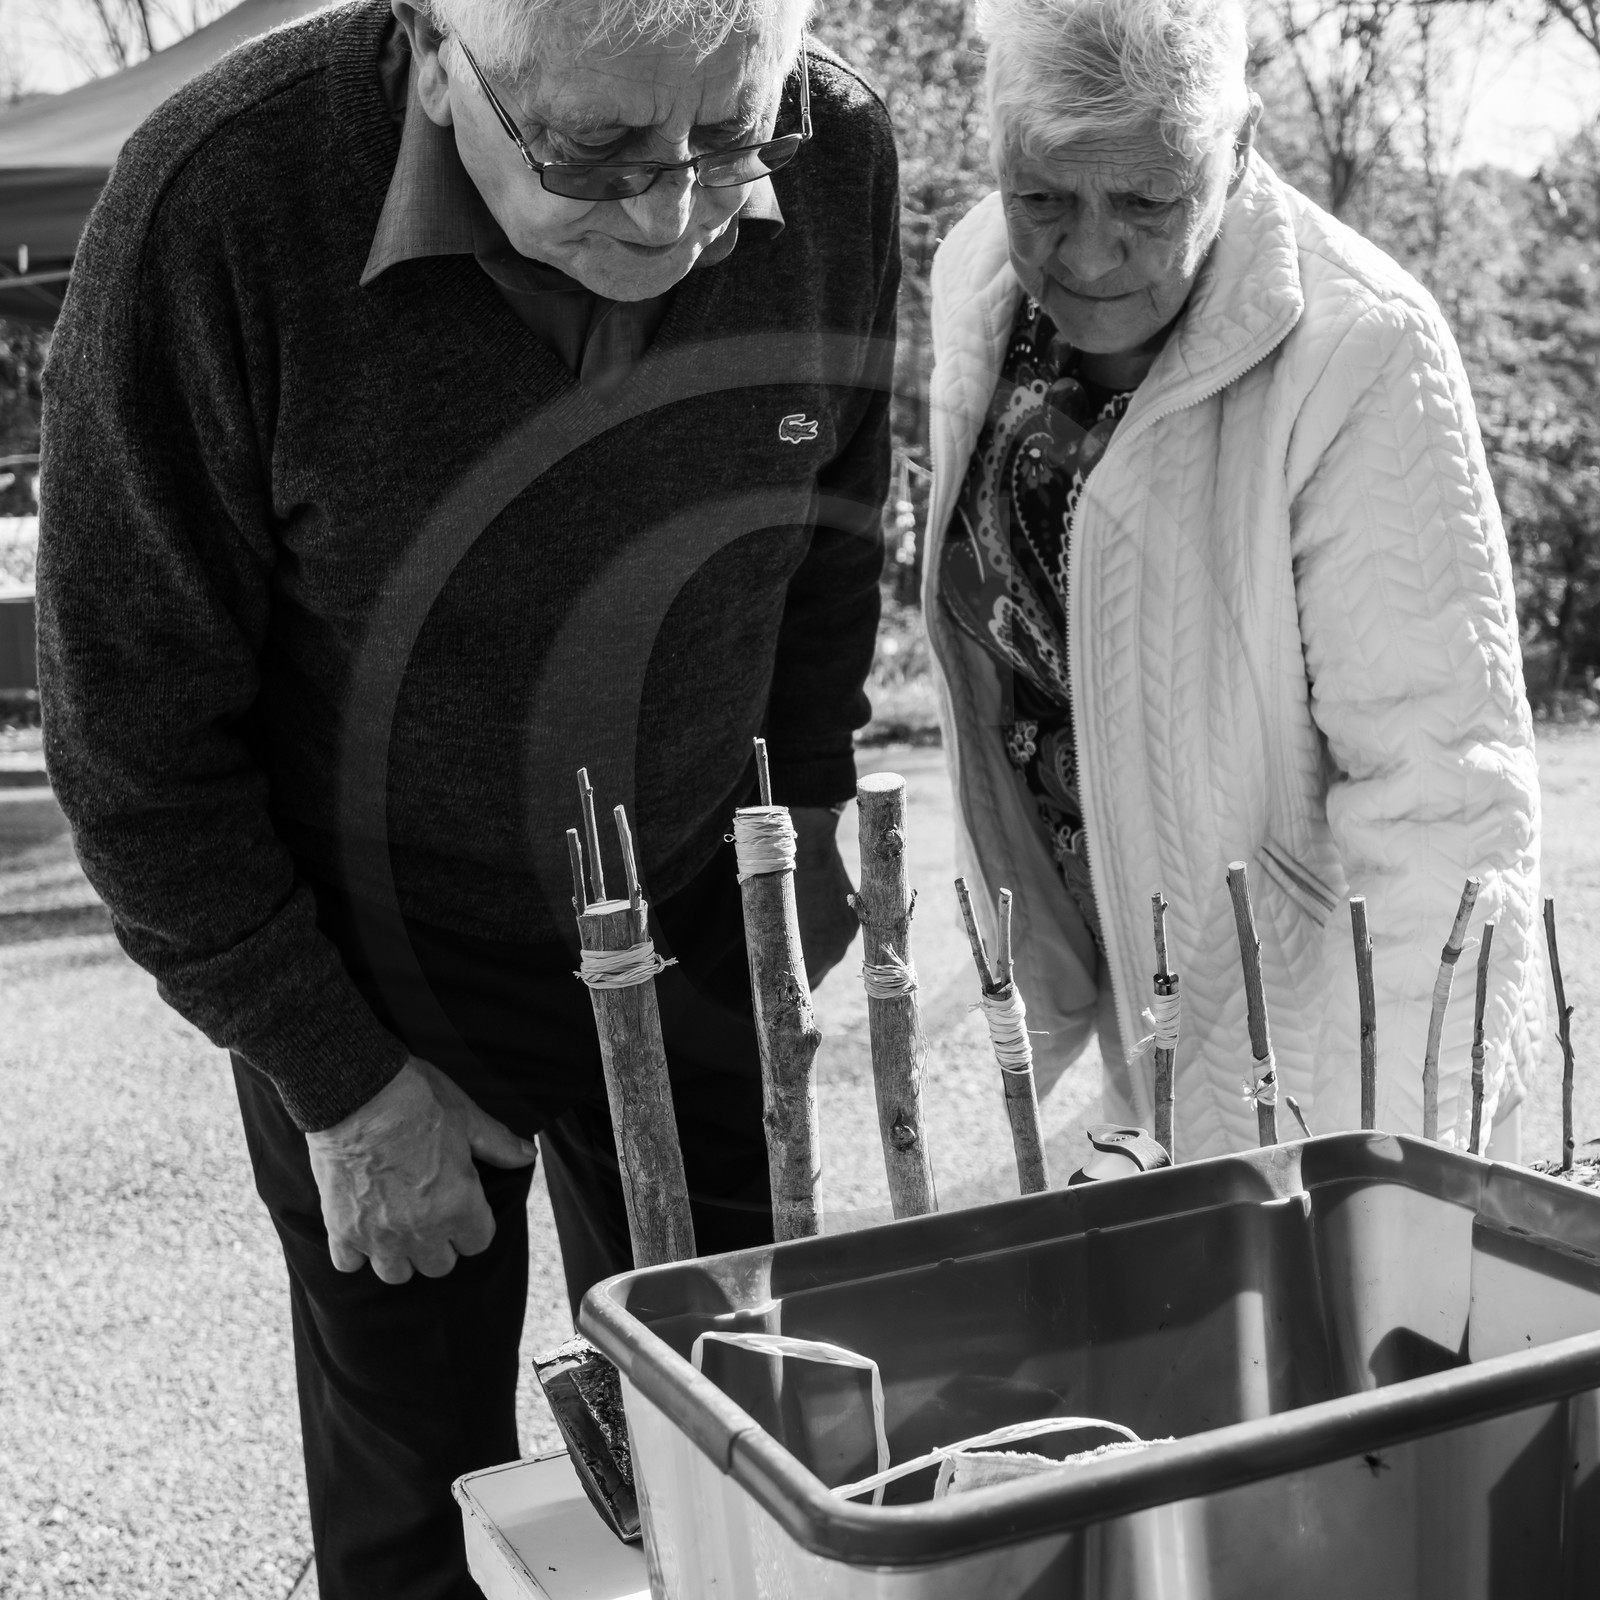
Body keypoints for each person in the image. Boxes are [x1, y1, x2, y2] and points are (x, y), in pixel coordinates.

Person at [36, 0, 897, 1593]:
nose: (674, 215)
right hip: (381, 959)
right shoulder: (222, 205)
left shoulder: (834, 147)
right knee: (419, 1505)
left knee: (742, 1462)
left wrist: (815, 815)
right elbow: (133, 743)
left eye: (727, 142)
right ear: (438, 50)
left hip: (700, 909)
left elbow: (831, 511)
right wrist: (341, 1080)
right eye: (600, 152)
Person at [924, 0, 1541, 1161]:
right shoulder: (971, 274)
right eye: (1043, 197)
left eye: (1149, 202)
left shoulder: (1361, 346)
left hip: (1305, 1043)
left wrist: (1407, 1165)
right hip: (1120, 976)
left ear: (1240, 146)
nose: (1092, 252)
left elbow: (1442, 796)